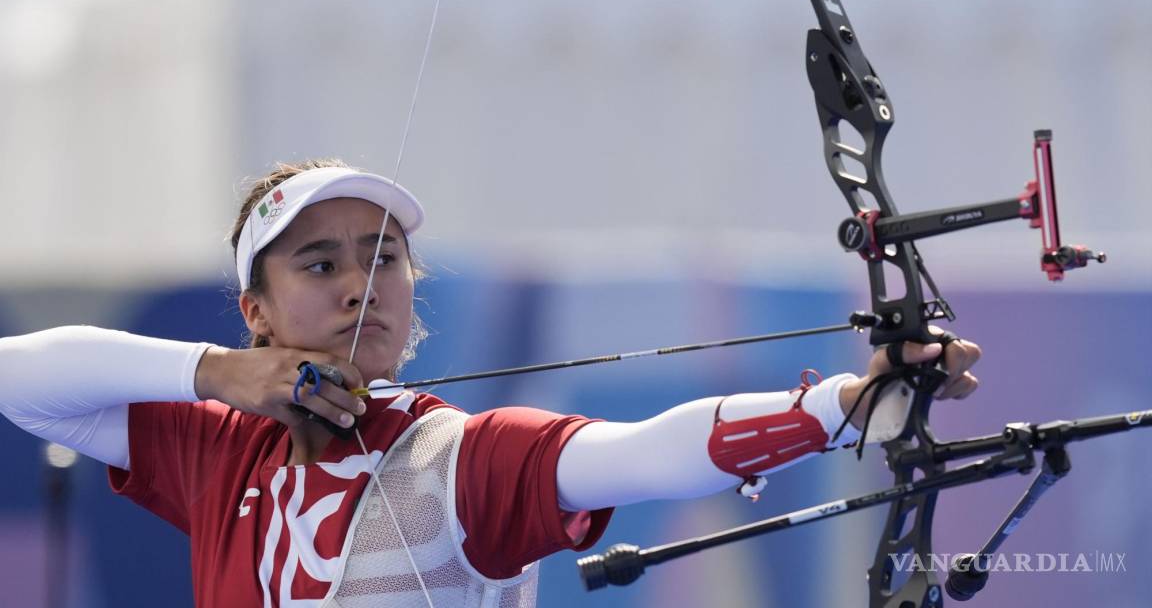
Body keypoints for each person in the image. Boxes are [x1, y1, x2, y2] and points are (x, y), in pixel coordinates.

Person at [0, 159, 981, 607]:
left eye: (382, 259)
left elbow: (643, 452)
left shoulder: (460, 457)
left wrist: (846, 404)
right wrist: (217, 375)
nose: (358, 286)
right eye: (319, 265)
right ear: (254, 308)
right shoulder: (214, 445)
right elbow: (18, 378)